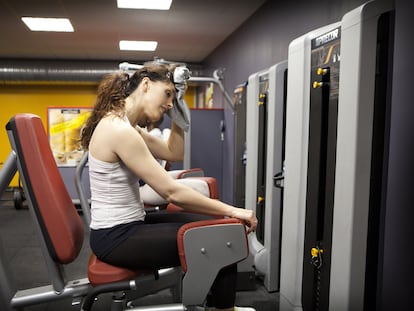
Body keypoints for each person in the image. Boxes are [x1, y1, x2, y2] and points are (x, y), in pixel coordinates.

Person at [80, 64, 258, 311]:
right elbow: (170, 192)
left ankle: (215, 301)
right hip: (116, 237)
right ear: (145, 85)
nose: (169, 104)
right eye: (167, 94)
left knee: (218, 224)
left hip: (129, 225)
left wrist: (178, 118)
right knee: (223, 236)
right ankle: (222, 308)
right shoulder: (119, 131)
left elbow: (174, 151)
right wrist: (234, 210)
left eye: (174, 99)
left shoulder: (128, 127)